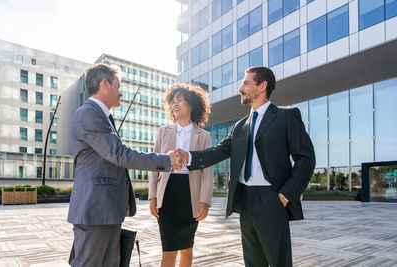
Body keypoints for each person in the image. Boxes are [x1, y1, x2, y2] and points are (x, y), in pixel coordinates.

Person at [176, 66, 315, 267]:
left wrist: (285, 195)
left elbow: (306, 159)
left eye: (246, 83)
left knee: (279, 262)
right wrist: (188, 157)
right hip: (245, 200)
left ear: (262, 86)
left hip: (272, 199)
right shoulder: (240, 126)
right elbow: (217, 152)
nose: (240, 89)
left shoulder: (287, 117)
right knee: (252, 262)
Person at [67, 63, 181, 267]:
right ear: (104, 83)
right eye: (118, 86)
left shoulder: (102, 116)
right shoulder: (89, 113)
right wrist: (167, 160)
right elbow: (120, 154)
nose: (121, 92)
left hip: (105, 210)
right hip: (95, 210)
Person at [149, 84, 213, 267]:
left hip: (190, 195)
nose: (175, 104)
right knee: (168, 249)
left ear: (191, 104)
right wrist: (152, 196)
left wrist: (205, 201)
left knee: (187, 248)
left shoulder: (204, 136)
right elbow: (155, 166)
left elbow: (207, 173)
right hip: (167, 193)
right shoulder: (163, 131)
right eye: (172, 101)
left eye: (179, 100)